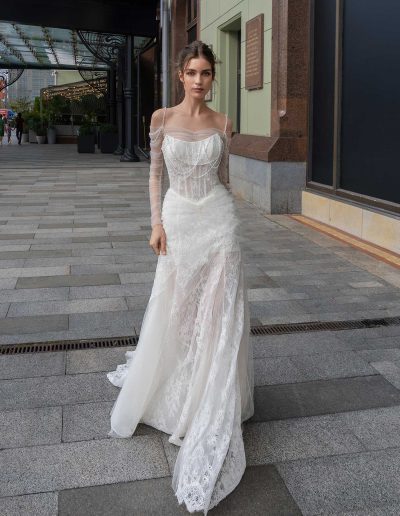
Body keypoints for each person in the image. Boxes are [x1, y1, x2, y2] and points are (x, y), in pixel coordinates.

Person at [106, 40, 254, 514]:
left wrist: (233, 219)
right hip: (178, 221)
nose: (199, 81)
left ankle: (210, 396)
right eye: (192, 72)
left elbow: (226, 179)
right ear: (180, 75)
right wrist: (156, 223)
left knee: (219, 312)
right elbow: (154, 176)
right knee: (179, 310)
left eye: (206, 73)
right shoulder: (160, 120)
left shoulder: (224, 124)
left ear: (213, 77)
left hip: (218, 222)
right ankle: (177, 384)